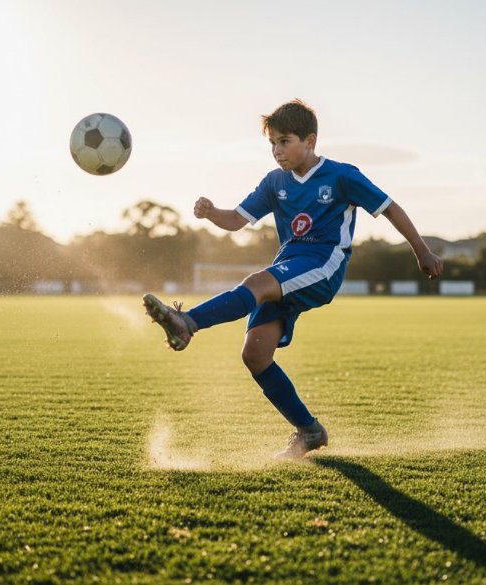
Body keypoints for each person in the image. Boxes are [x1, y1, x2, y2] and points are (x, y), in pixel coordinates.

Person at [143, 99, 443, 458]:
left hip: (324, 264)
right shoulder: (275, 182)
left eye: (284, 141)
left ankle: (186, 322)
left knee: (256, 283)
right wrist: (211, 214)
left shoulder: (342, 176)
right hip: (289, 265)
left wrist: (421, 250)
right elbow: (237, 220)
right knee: (255, 355)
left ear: (310, 141)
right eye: (272, 143)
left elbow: (389, 207)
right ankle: (309, 431)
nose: (277, 151)